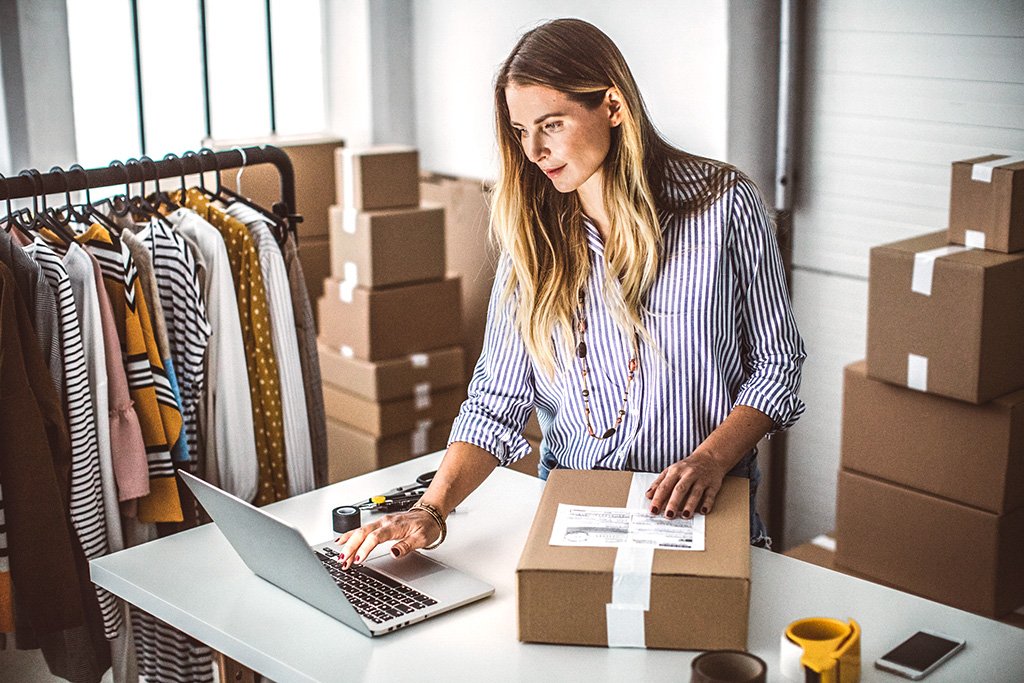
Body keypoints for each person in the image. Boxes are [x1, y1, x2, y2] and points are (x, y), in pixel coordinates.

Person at [335, 18, 805, 569]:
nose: (533, 150)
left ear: (612, 106)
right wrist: (430, 511)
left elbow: (778, 365)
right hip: (574, 509)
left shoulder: (723, 205)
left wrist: (709, 459)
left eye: (551, 125)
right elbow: (496, 402)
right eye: (519, 131)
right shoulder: (532, 236)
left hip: (703, 506)